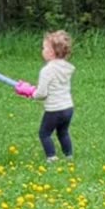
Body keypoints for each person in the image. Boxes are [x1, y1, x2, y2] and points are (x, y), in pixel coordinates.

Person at [29, 30, 75, 161]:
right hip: (68, 108)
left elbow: (42, 94)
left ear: (51, 52)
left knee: (44, 134)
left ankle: (51, 157)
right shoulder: (67, 67)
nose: (42, 50)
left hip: (54, 110)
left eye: (44, 48)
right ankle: (69, 155)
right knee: (63, 132)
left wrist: (32, 93)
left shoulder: (47, 70)